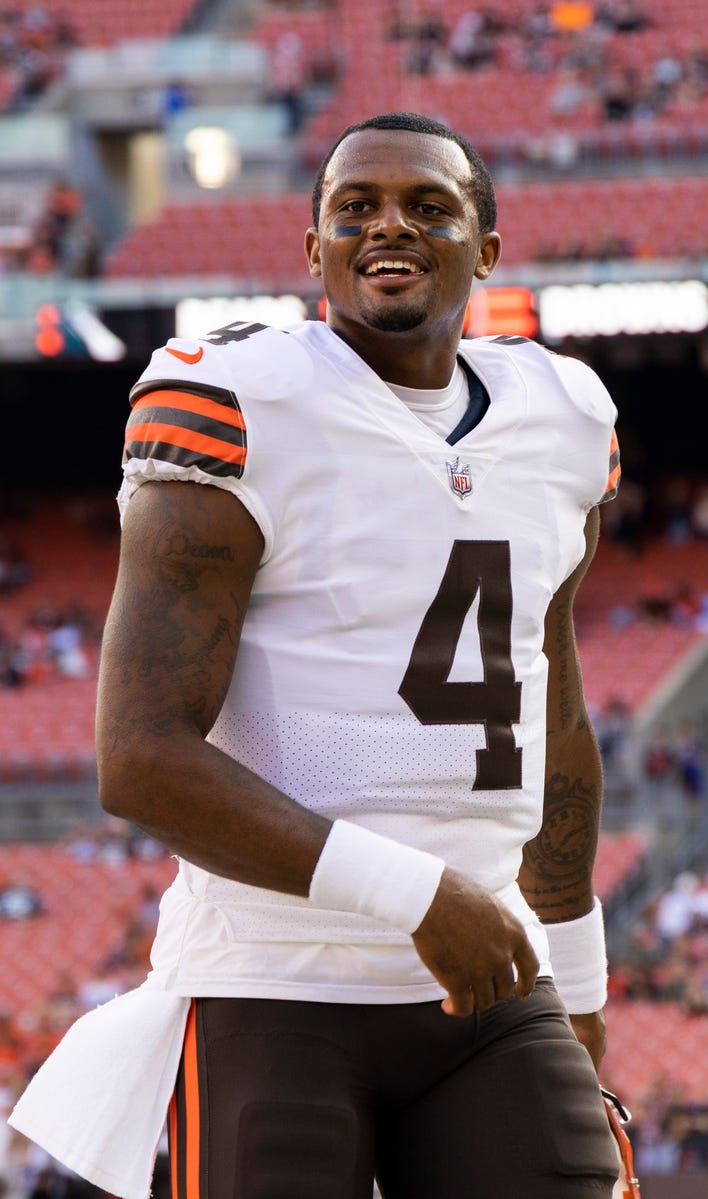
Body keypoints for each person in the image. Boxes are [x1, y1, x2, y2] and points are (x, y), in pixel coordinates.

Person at [10, 112, 622, 1199]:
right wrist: (418, 897)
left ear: (486, 247)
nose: (388, 225)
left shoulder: (561, 416)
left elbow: (553, 716)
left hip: (490, 984)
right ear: (313, 249)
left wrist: (576, 985)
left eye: (428, 205)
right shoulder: (240, 398)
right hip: (273, 981)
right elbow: (140, 757)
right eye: (355, 207)